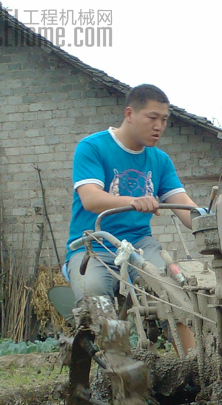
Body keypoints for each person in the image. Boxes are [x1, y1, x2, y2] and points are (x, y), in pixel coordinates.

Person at [65, 84, 197, 353]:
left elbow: (184, 205)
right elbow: (90, 198)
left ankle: (194, 364)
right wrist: (132, 201)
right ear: (129, 114)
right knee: (95, 294)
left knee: (176, 290)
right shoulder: (92, 147)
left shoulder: (159, 160)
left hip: (140, 245)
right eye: (152, 118)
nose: (159, 126)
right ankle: (121, 376)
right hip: (93, 245)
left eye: (164, 120)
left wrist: (211, 221)